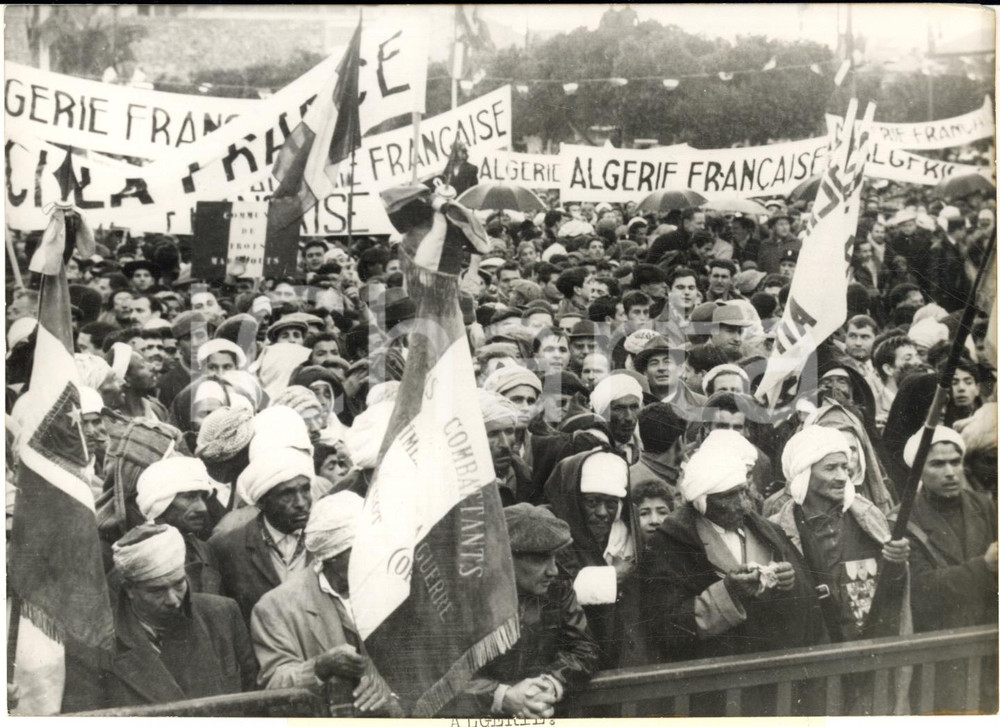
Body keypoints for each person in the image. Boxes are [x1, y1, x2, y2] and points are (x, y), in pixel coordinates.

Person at [639, 431, 820, 715]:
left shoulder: (767, 532)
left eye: (743, 492)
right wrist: (728, 593)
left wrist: (790, 583)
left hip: (770, 683)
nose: (743, 504)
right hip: (712, 691)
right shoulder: (671, 543)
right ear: (702, 501)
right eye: (729, 497)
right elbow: (665, 626)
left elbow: (806, 604)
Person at [62, 524, 257, 712]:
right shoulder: (93, 644)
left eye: (179, 584)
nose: (173, 600)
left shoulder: (222, 615)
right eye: (157, 590)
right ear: (129, 589)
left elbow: (254, 703)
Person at [250, 492, 398, 714]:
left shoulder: (395, 585)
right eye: (361, 551)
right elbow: (274, 684)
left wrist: (393, 685)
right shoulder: (276, 607)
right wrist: (320, 666)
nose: (373, 557)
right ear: (331, 556)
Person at [447, 503, 599, 717]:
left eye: (555, 557)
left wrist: (550, 683)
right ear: (504, 556)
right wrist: (500, 696)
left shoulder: (558, 590)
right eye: (539, 559)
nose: (553, 570)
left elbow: (585, 648)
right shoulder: (463, 597)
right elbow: (436, 678)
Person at [543, 450, 639, 669]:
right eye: (592, 502)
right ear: (573, 501)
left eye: (611, 503)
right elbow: (556, 591)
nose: (603, 512)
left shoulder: (628, 535)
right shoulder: (552, 530)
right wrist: (612, 576)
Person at [208, 448, 316, 622]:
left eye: (305, 490)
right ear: (261, 501)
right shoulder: (228, 547)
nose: (301, 503)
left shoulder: (324, 535)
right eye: (287, 494)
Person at [135, 457, 222, 594]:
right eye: (190, 497)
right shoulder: (135, 554)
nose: (202, 508)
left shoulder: (205, 550)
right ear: (161, 502)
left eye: (203, 497)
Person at [589, 374, 643, 464]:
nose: (629, 417)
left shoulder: (647, 447)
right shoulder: (589, 449)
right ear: (601, 412)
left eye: (634, 407)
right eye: (618, 409)